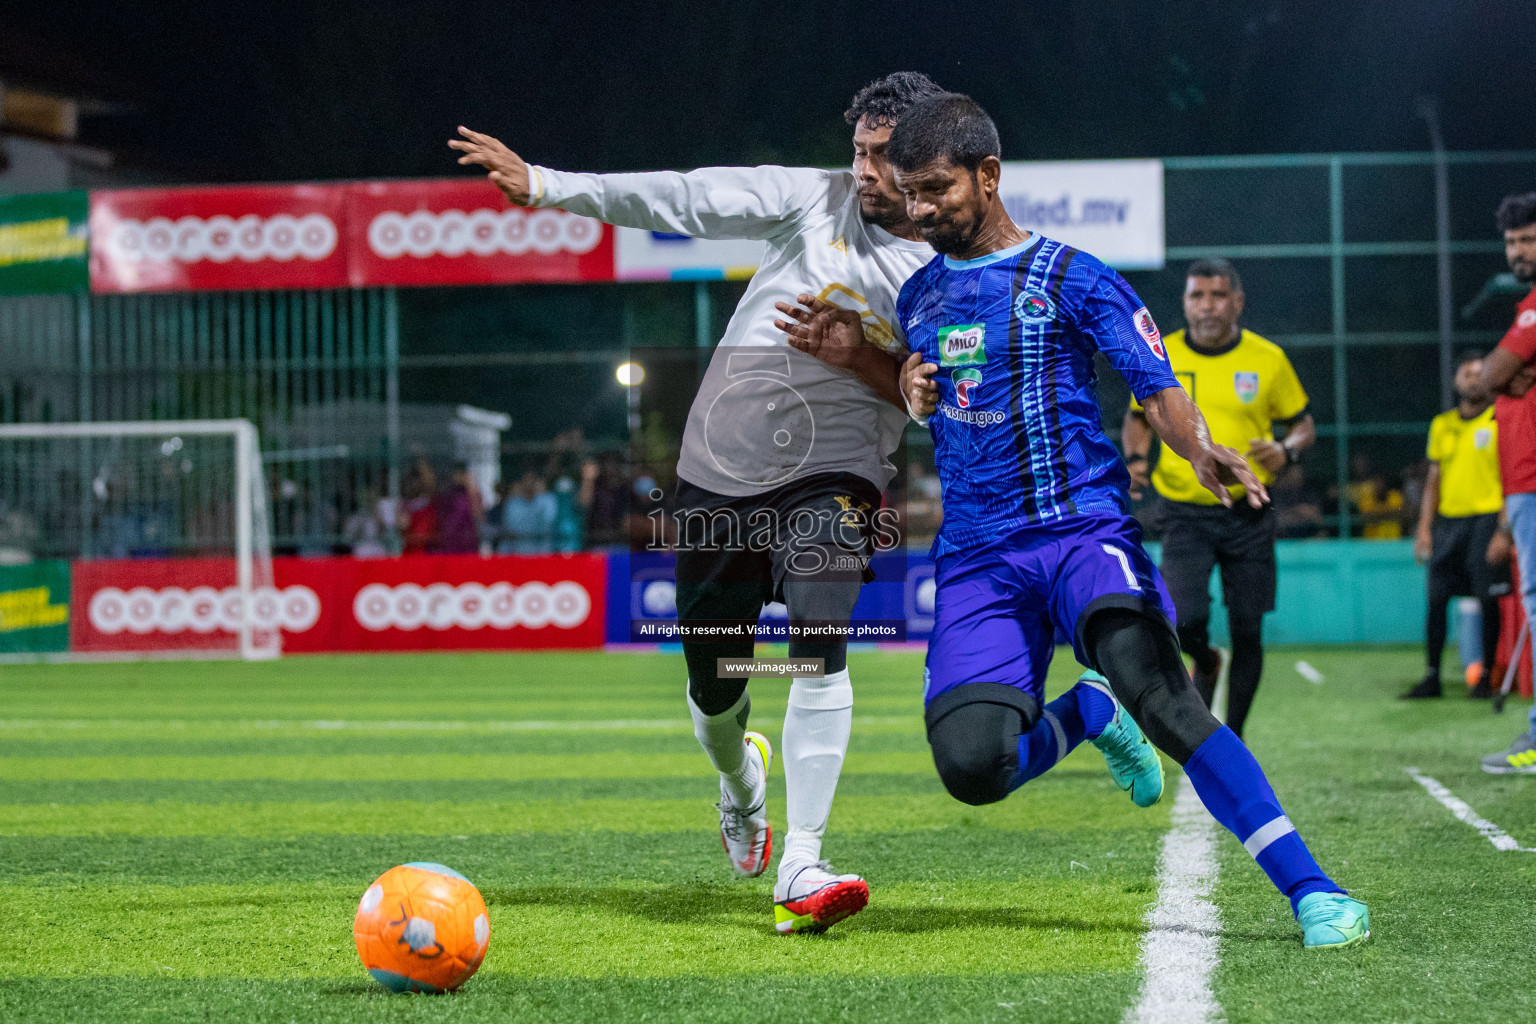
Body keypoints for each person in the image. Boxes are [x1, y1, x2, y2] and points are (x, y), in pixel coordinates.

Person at [778, 92, 1368, 949]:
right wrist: (886, 371)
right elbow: (923, 385)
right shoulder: (923, 296)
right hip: (978, 558)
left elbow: (1154, 384)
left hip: (1079, 533)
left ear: (989, 176)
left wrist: (1200, 448)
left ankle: (1313, 890)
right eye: (908, 193)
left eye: (936, 188)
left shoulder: (1072, 275)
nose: (918, 208)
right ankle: (1086, 714)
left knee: (1163, 695)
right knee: (973, 768)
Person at [452, 72, 946, 933]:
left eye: (885, 156)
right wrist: (549, 186)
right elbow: (687, 196)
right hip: (721, 475)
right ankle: (739, 781)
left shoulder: (947, 273)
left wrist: (880, 368)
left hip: (836, 479)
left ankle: (804, 861)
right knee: (719, 683)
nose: (865, 171)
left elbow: (928, 398)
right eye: (859, 152)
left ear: (928, 158)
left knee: (820, 631)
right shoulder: (809, 200)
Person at [1121, 258, 1315, 738]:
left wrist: (1286, 450)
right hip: (1183, 512)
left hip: (1249, 513)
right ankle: (1206, 660)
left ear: (1237, 302)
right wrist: (1136, 460)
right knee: (1184, 619)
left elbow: (1304, 424)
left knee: (1248, 627)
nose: (1206, 306)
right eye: (1196, 296)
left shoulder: (1267, 358)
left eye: (1217, 296)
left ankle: (1236, 736)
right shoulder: (1159, 353)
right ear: (1185, 303)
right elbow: (1138, 415)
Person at [1401, 353, 1508, 700]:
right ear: (1456, 381)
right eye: (1467, 373)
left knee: (1487, 599)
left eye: (1480, 373)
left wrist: (1503, 530)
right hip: (1448, 522)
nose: (1473, 379)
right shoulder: (1442, 424)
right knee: (1435, 599)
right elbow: (1434, 478)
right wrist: (1424, 527)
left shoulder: (1498, 420)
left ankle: (1486, 677)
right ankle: (1432, 676)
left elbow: (1510, 477)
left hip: (1486, 519)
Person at [1480, 192, 1536, 773]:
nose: (1518, 250)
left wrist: (1505, 372)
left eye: (1528, 238)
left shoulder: (1534, 307)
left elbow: (1488, 377)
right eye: (1512, 241)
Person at [499, 468, 556, 554]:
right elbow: (510, 530)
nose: (529, 485)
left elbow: (549, 525)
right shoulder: (512, 504)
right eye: (526, 481)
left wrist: (540, 495)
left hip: (541, 552)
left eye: (532, 481)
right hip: (518, 552)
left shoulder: (547, 500)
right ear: (520, 483)